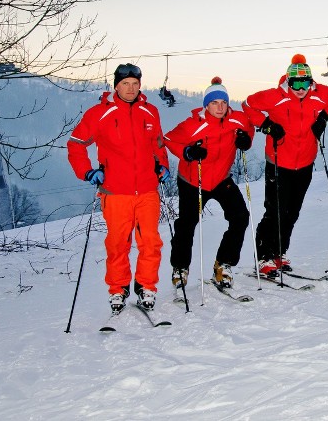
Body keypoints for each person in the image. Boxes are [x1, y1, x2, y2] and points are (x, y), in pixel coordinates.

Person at [67, 63, 171, 313]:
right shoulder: (99, 113)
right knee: (117, 244)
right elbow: (76, 144)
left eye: (135, 84)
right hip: (115, 191)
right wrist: (88, 171)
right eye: (125, 84)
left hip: (147, 190)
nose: (131, 88)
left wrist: (163, 165)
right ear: (116, 86)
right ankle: (118, 289)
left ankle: (147, 287)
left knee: (150, 242)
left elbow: (158, 144)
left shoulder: (150, 111)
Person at [242, 54, 328, 275]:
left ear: (311, 82)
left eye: (305, 82)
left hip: (305, 163)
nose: (300, 88)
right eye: (296, 83)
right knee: (275, 210)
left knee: (292, 211)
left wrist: (324, 118)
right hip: (279, 161)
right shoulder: (275, 96)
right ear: (288, 81)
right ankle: (263, 257)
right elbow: (248, 104)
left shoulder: (319, 94)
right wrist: (267, 124)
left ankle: (280, 253)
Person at [164, 77, 255, 292]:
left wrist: (246, 140)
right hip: (193, 181)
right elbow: (169, 139)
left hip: (222, 179)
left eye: (223, 103)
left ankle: (223, 264)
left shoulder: (236, 120)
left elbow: (249, 128)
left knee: (240, 217)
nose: (220, 107)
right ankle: (180, 268)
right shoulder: (193, 124)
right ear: (206, 105)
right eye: (214, 103)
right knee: (187, 224)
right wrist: (187, 152)